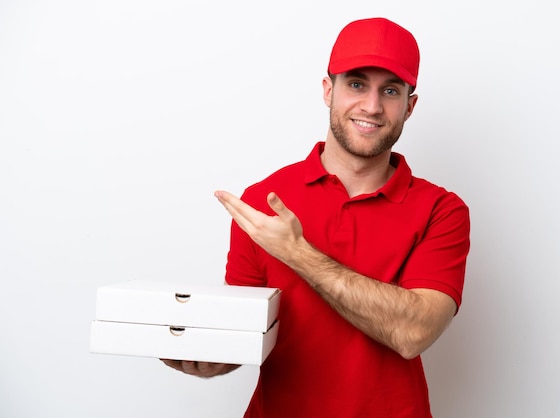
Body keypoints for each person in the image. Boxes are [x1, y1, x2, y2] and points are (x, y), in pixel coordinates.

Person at [162, 17, 470, 417]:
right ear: (328, 91)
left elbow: (413, 333)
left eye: (390, 91)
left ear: (409, 106)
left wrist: (297, 253)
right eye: (356, 84)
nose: (372, 106)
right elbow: (248, 330)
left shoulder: (442, 211)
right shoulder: (265, 201)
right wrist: (209, 357)